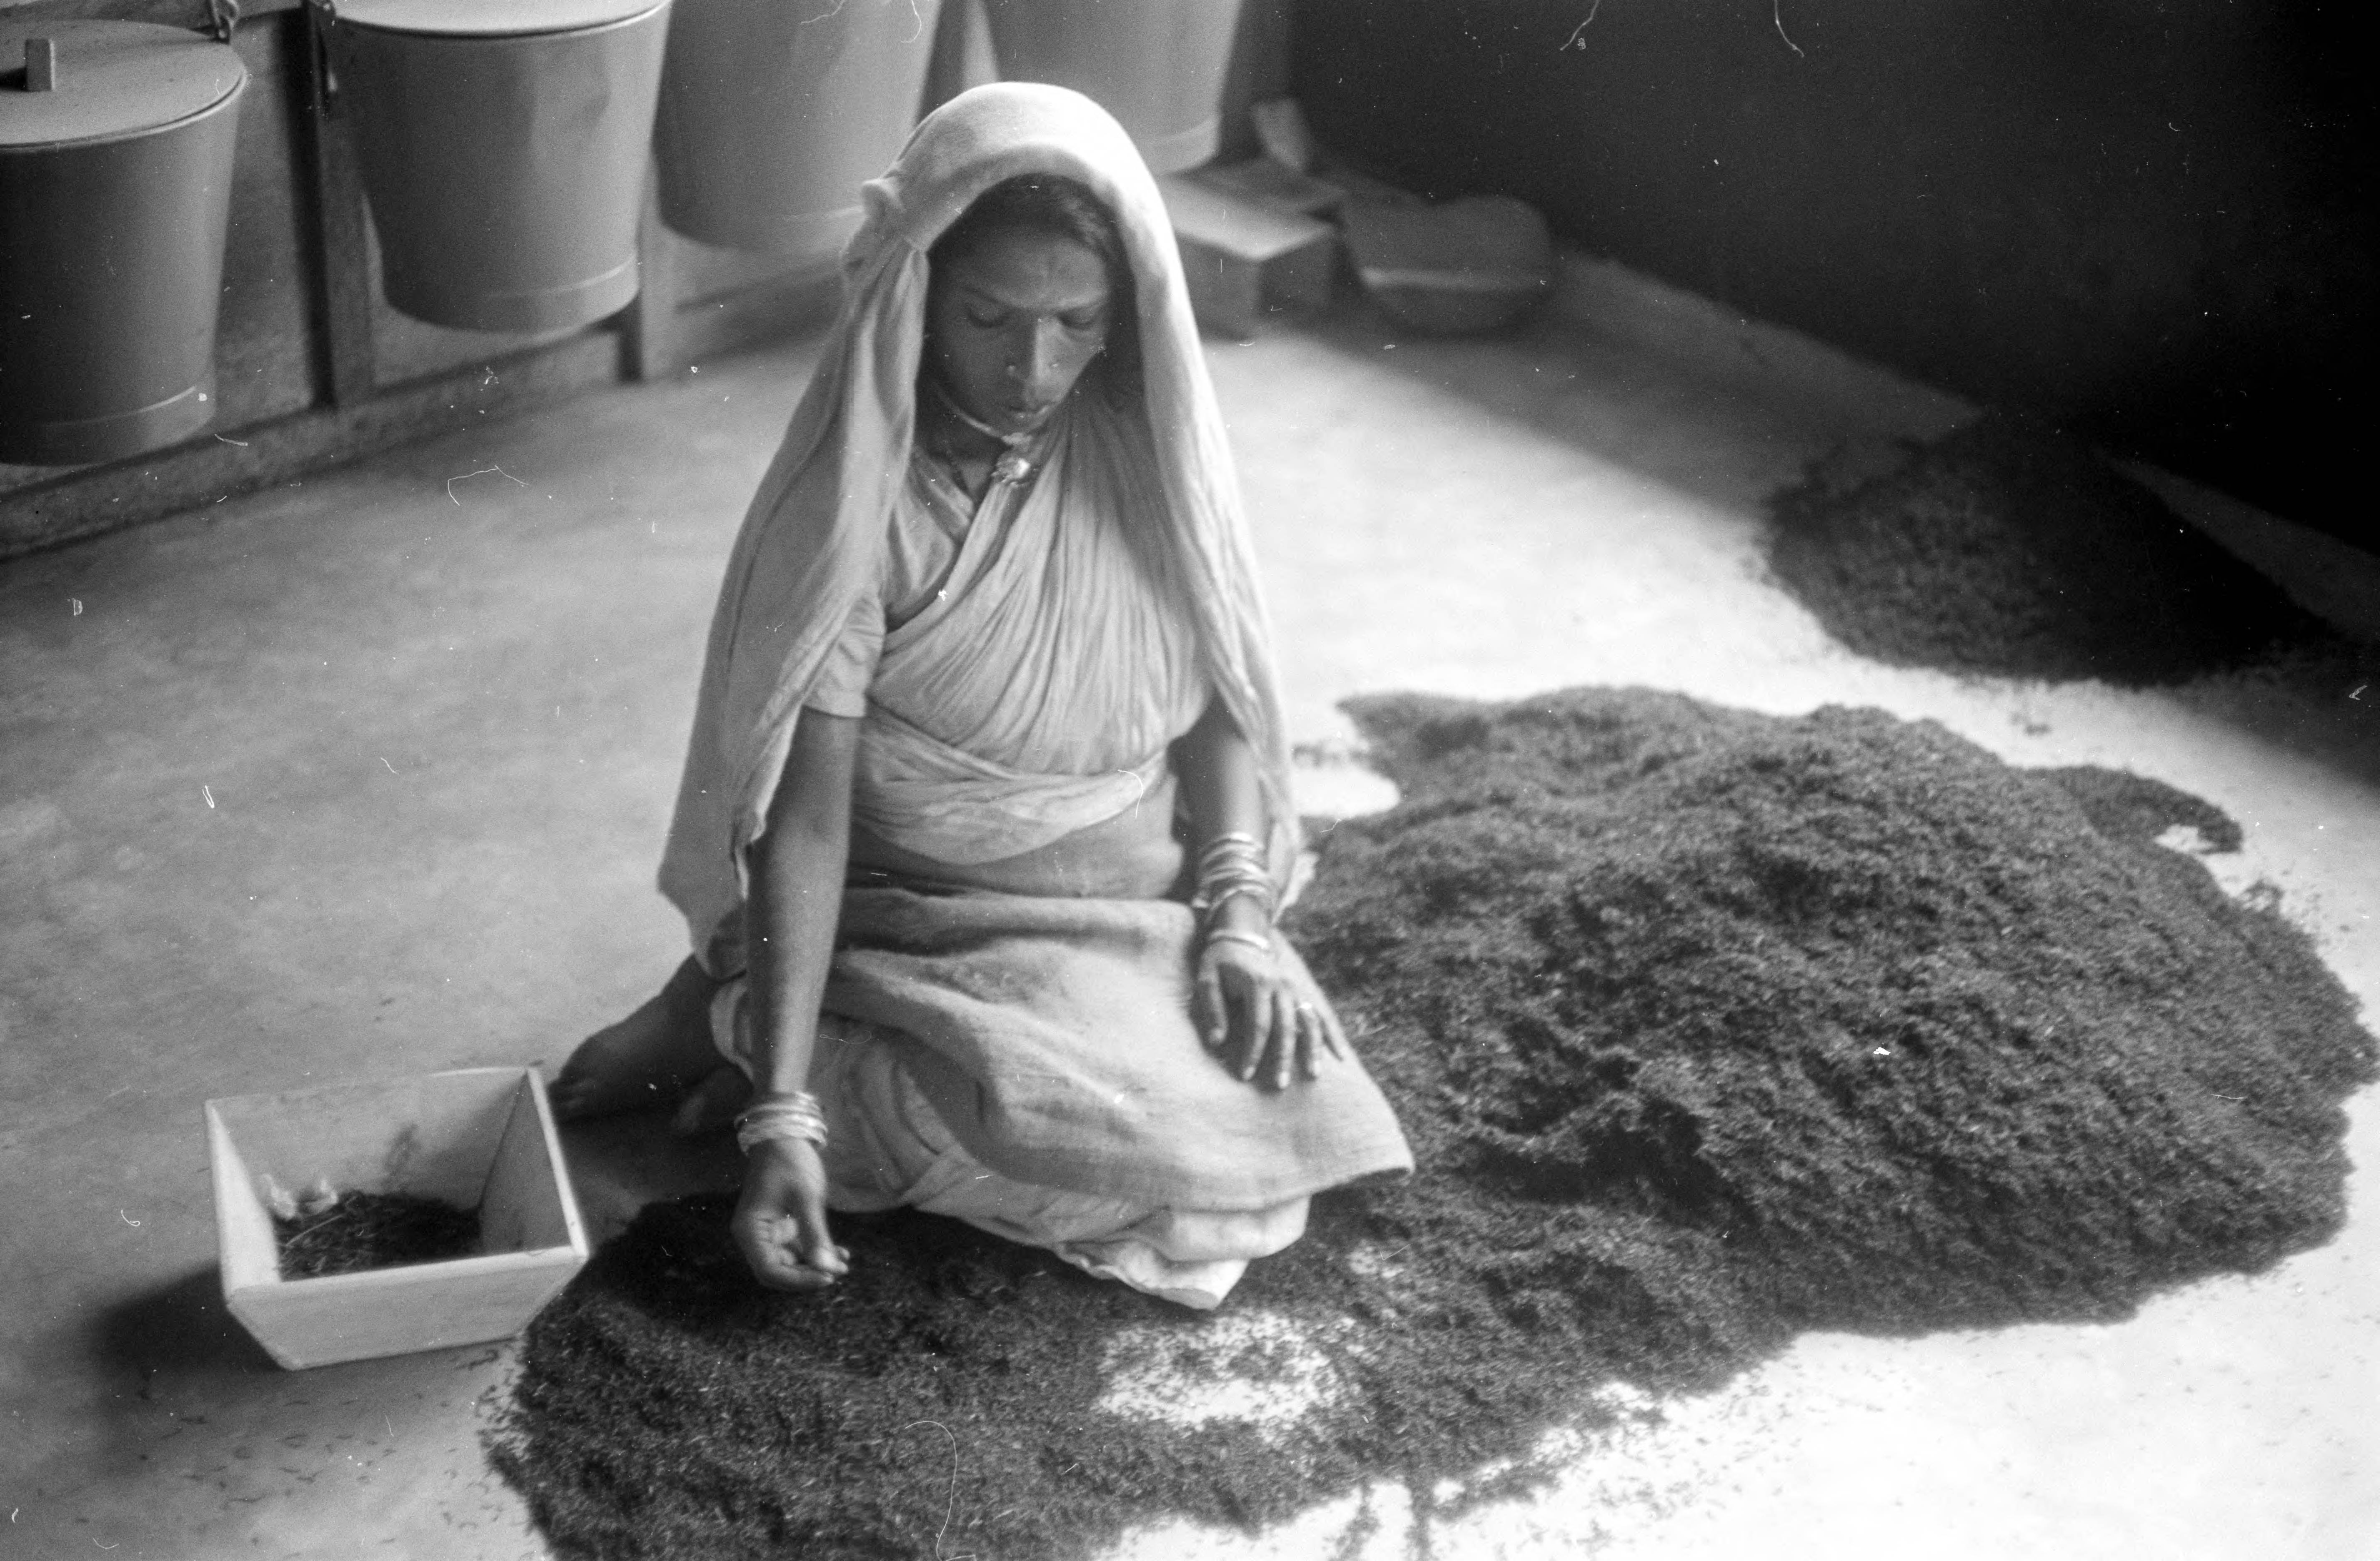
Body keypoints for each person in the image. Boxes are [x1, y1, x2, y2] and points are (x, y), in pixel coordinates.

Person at [554, 83, 1411, 1310]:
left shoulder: (1143, 449)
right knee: (1172, 1190)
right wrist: (782, 1121)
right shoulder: (865, 509)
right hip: (925, 915)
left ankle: (758, 1030)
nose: (1033, 365)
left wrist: (1235, 914)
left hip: (1134, 902)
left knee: (1266, 1160)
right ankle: (774, 1038)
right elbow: (808, 816)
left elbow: (1214, 696)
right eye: (989, 316)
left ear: (1128, 310)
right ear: (916, 299)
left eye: (1078, 320)